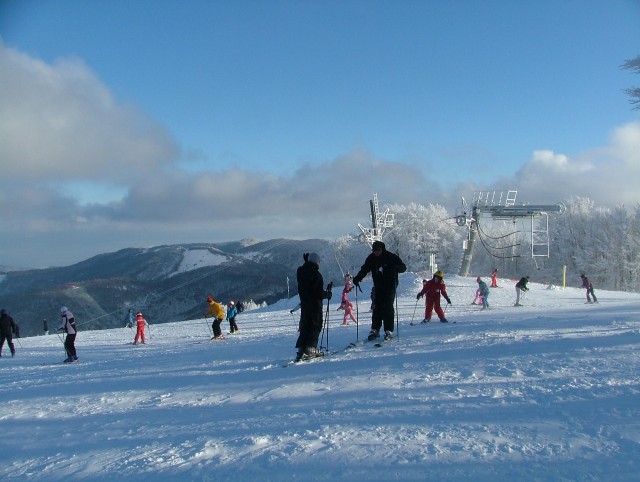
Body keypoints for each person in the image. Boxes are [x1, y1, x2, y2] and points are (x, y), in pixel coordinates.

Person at [353, 240, 407, 341]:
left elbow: (403, 267)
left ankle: (388, 330)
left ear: (382, 249)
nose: (376, 252)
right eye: (374, 250)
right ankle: (375, 329)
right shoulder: (371, 258)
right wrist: (358, 278)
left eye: (378, 250)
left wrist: (397, 267)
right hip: (378, 286)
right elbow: (365, 269)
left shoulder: (391, 257)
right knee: (377, 307)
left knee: (388, 307)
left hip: (390, 285)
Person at [295, 252, 332, 361]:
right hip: (315, 305)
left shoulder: (300, 272)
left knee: (305, 326)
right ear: (317, 262)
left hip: (305, 304)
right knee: (315, 325)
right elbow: (317, 293)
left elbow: (306, 274)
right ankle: (310, 348)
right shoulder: (317, 275)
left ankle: (301, 349)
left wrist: (307, 262)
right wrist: (327, 294)